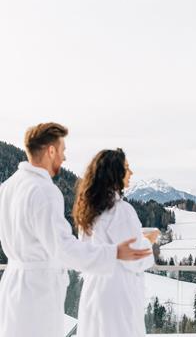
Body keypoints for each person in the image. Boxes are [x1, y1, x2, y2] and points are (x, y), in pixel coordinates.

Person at [0, 123, 152, 337]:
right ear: (50, 150)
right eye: (62, 150)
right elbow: (63, 248)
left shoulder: (7, 187)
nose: (64, 158)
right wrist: (115, 252)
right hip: (37, 290)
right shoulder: (43, 190)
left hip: (12, 286)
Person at [73, 148, 158, 337]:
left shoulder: (89, 212)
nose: (131, 173)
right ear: (115, 173)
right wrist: (148, 241)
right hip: (118, 293)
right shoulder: (121, 211)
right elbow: (136, 258)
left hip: (93, 291)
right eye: (126, 168)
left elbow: (86, 253)